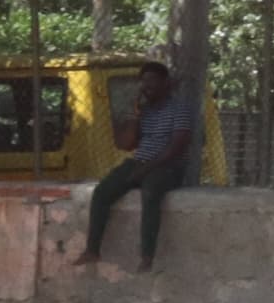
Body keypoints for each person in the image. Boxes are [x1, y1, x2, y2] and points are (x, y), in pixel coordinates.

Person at [75, 58, 199, 272]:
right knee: (102, 191)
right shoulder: (145, 111)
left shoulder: (179, 109)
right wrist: (135, 112)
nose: (147, 86)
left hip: (168, 166)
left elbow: (176, 147)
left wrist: (146, 169)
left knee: (150, 192)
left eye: (152, 81)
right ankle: (92, 250)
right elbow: (125, 144)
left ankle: (147, 257)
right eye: (144, 82)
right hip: (139, 161)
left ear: (166, 83)